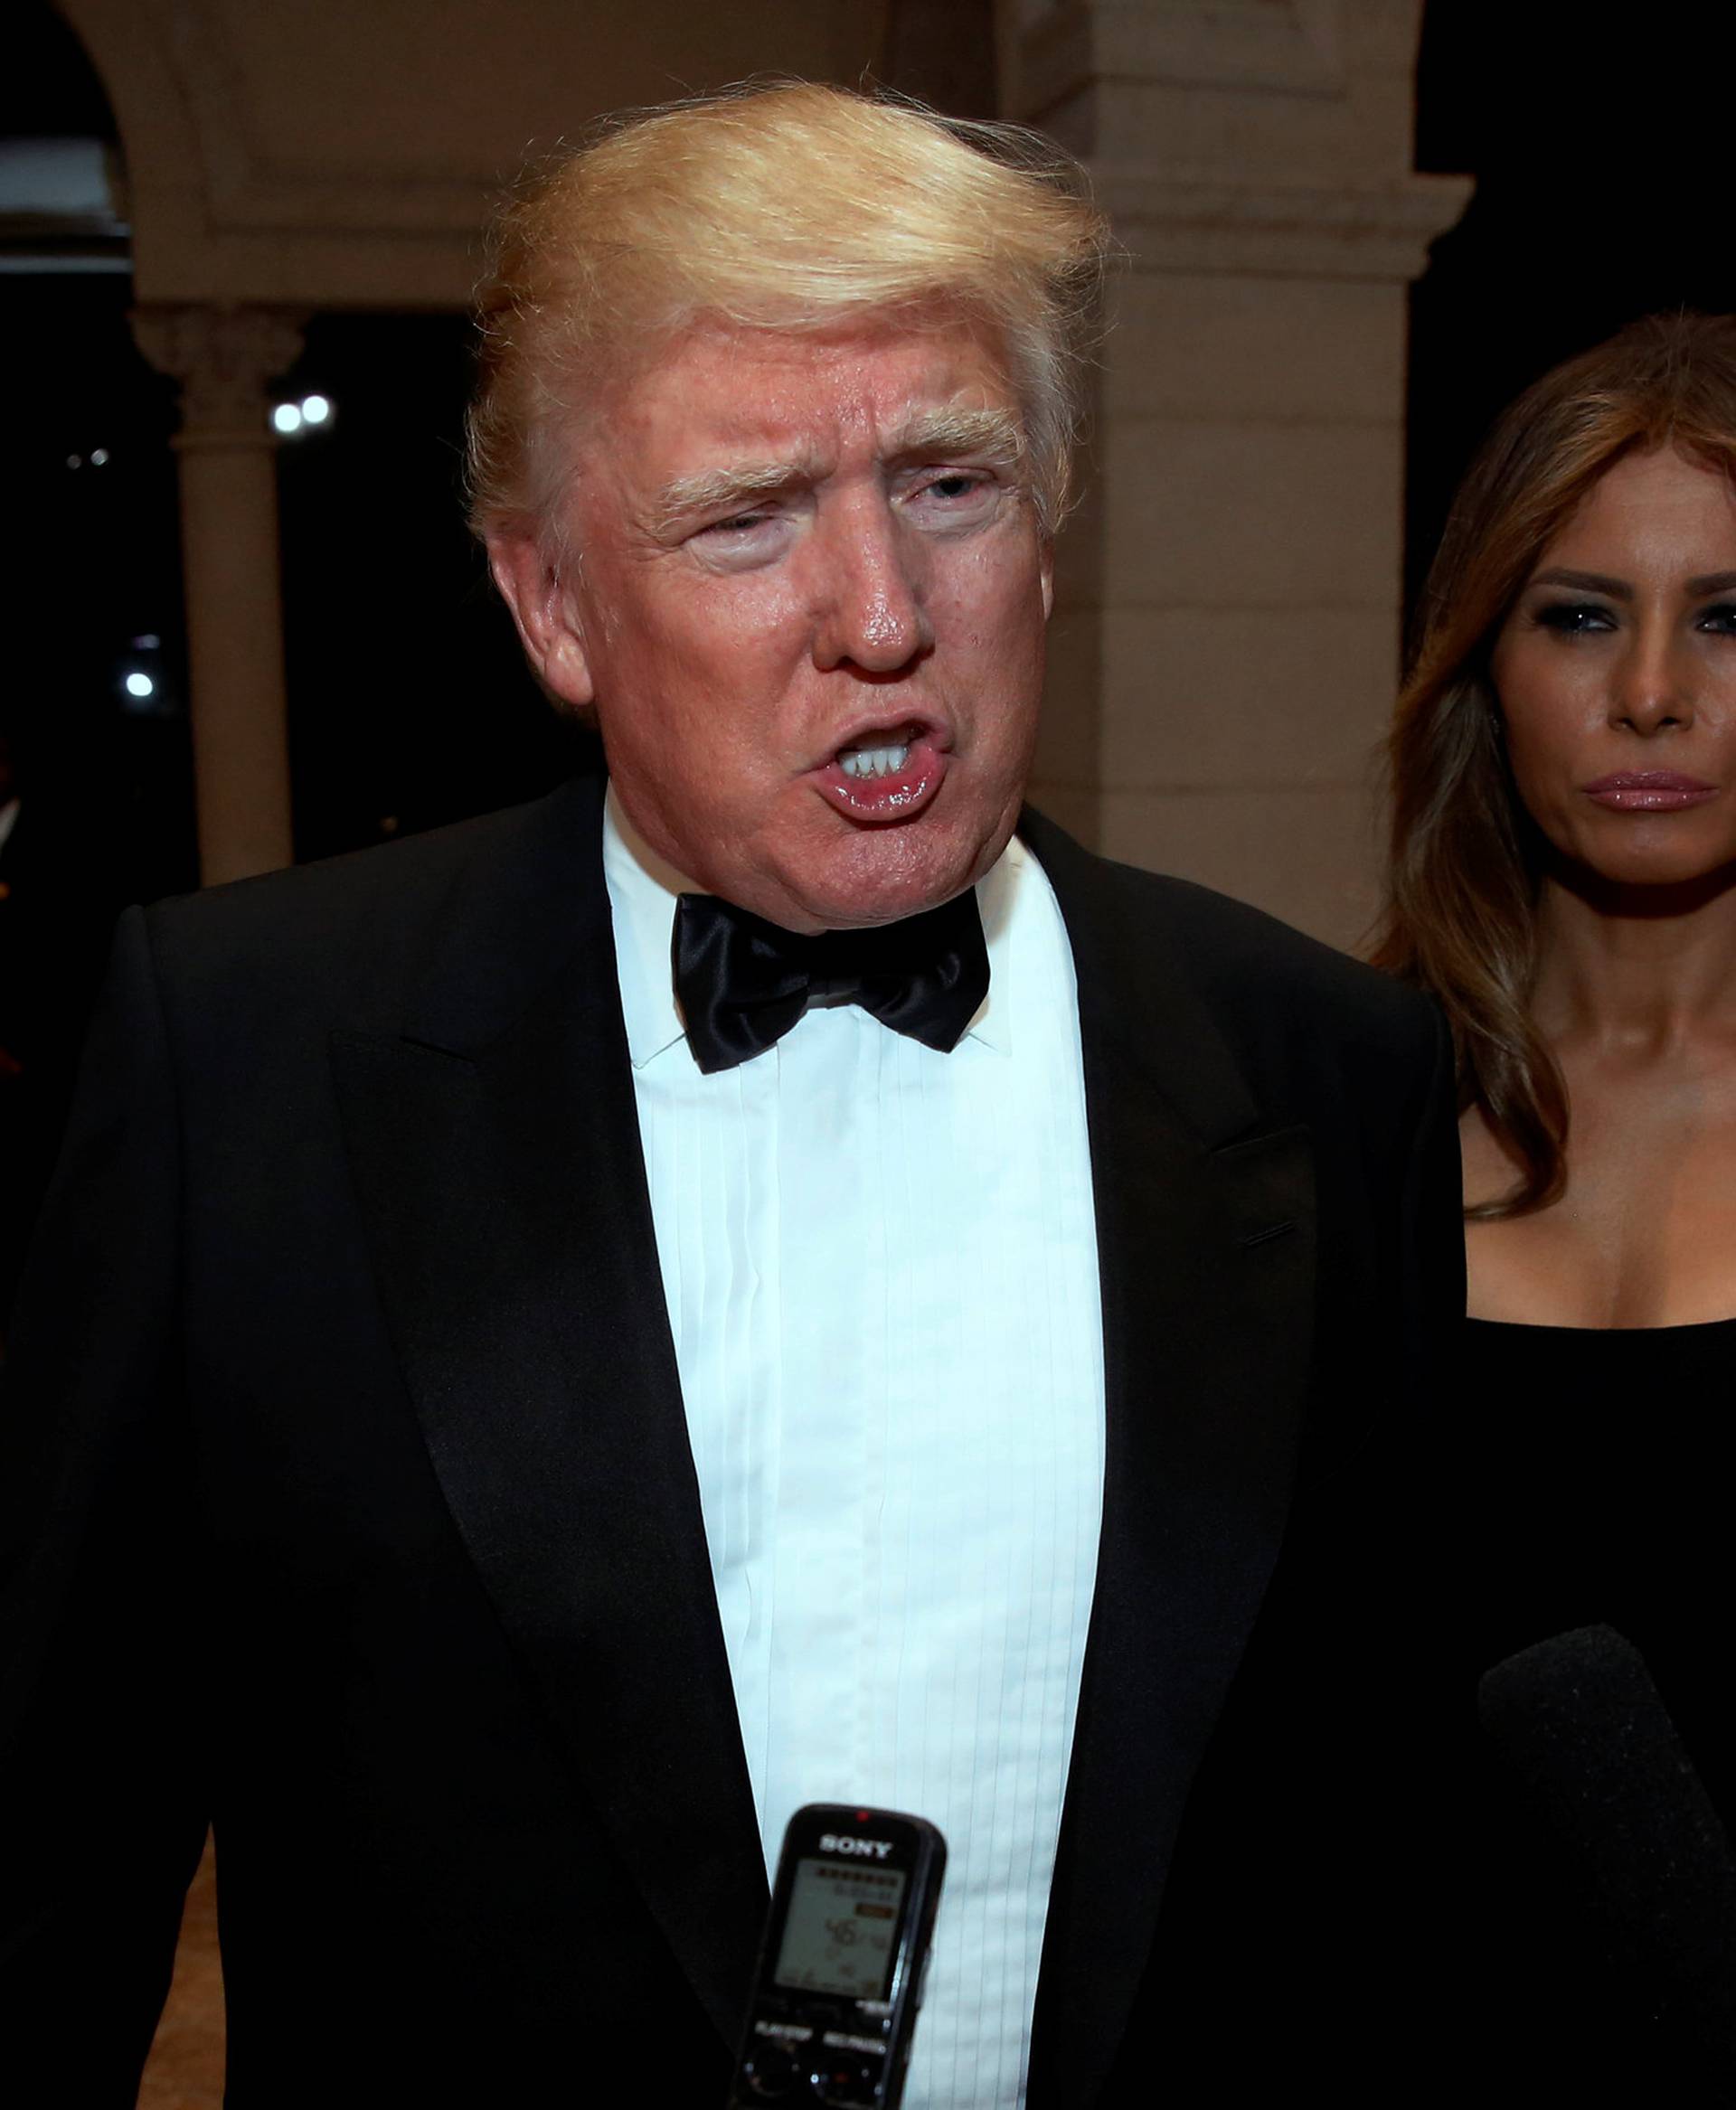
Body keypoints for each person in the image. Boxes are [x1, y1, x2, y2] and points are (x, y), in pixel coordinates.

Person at [1, 85, 1460, 2108]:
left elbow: (1387, 1859)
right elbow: (46, 1863)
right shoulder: (241, 1062)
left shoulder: (1328, 1073)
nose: (880, 616)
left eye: (952, 483)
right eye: (748, 519)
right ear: (554, 606)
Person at [1376, 310, 1736, 2098]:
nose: (1653, 691)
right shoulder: (1329, 1116)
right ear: (1481, 662)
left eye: (1732, 617)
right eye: (1581, 614)